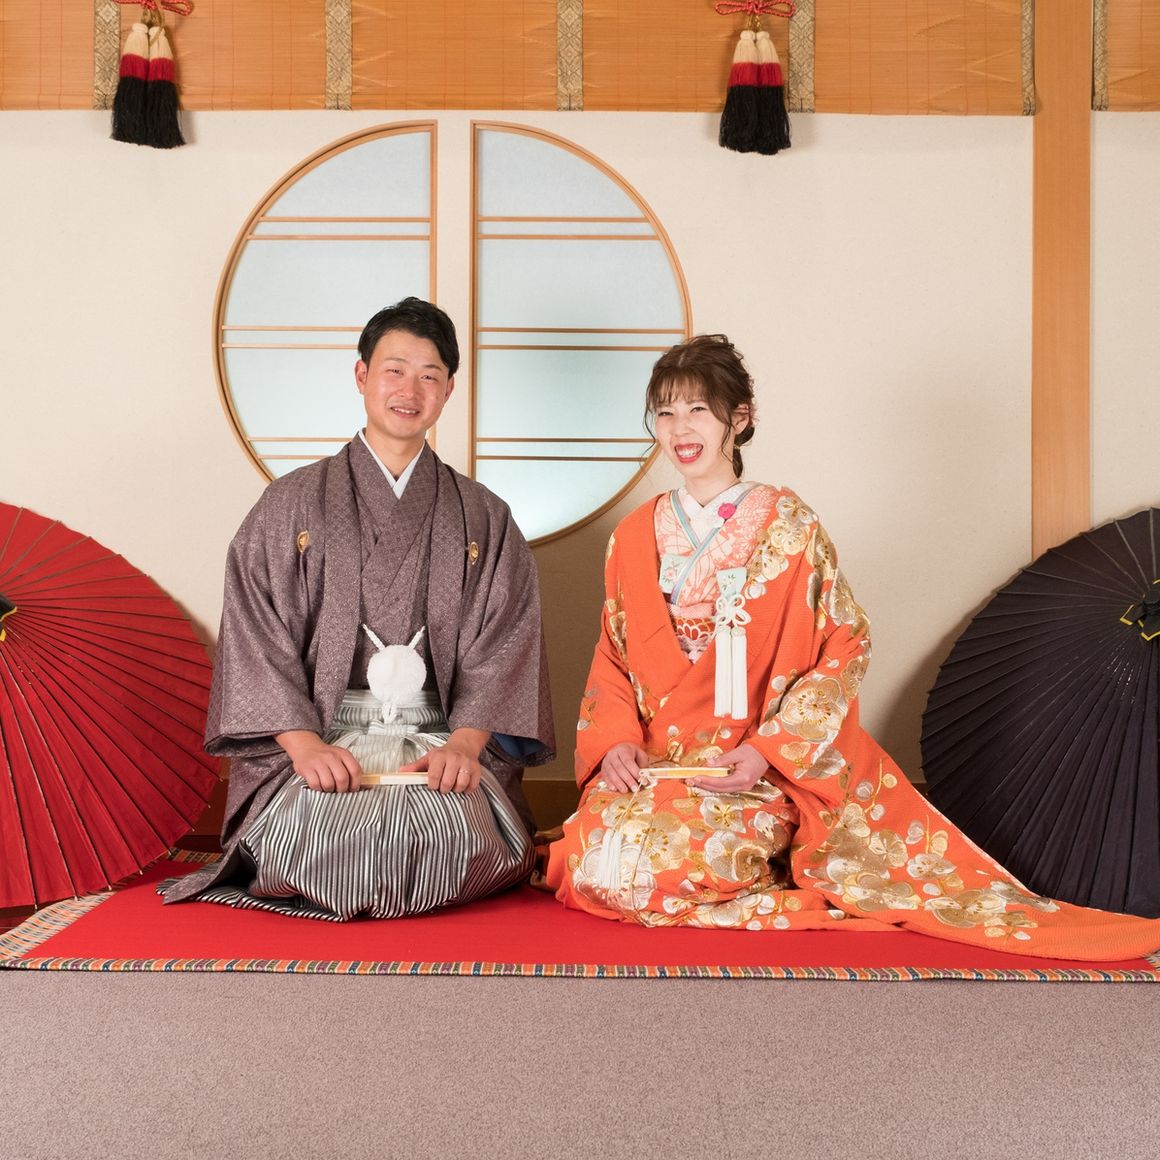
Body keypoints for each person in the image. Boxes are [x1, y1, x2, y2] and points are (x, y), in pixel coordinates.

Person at [547, 334, 1160, 960]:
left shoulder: (790, 526)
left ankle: (772, 857)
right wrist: (616, 741)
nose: (681, 428)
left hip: (749, 768)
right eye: (666, 412)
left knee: (671, 864)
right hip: (657, 763)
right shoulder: (633, 534)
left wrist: (766, 752)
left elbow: (843, 645)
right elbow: (614, 653)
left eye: (698, 410)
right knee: (590, 861)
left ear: (740, 417)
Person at [166, 298, 555, 920]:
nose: (410, 390)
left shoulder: (485, 515)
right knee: (319, 842)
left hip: (440, 744)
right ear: (362, 375)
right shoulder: (290, 504)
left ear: (449, 389)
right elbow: (256, 635)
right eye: (394, 370)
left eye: (429, 375)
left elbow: (506, 640)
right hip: (322, 740)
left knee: (453, 838)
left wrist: (463, 746)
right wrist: (304, 748)